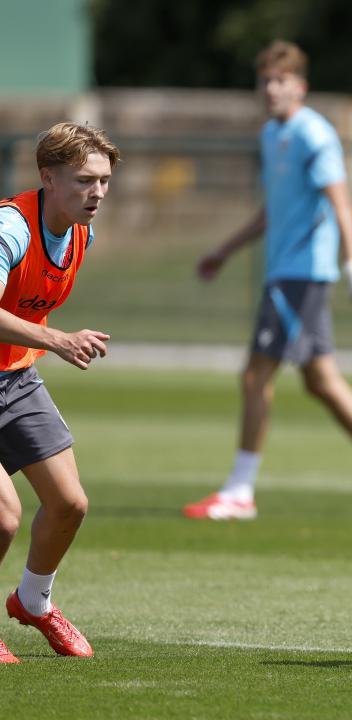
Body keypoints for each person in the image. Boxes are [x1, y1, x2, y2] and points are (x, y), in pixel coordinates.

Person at [183, 40, 352, 521]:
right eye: (265, 80)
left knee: (255, 377)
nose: (271, 89)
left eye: (280, 80)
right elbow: (276, 209)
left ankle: (239, 492)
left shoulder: (316, 135)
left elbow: (341, 202)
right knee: (321, 381)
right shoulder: (272, 135)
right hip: (287, 273)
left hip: (301, 276)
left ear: (300, 86)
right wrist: (224, 251)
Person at [0, 123, 119, 663]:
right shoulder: (10, 227)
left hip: (14, 378)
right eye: (84, 180)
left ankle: (34, 601)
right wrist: (57, 338)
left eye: (104, 181)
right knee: (3, 516)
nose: (97, 193)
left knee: (69, 503)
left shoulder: (78, 231)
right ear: (47, 176)